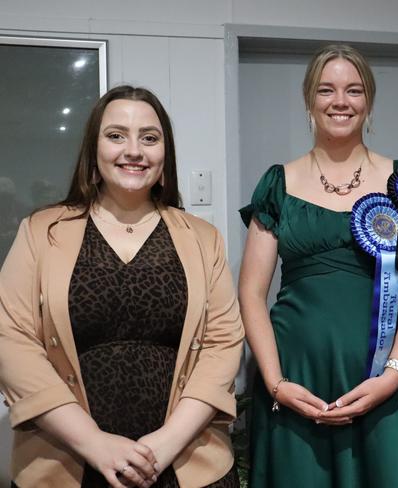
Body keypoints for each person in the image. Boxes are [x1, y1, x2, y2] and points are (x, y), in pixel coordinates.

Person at [0, 85, 244, 488]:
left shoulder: (204, 239)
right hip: (68, 464)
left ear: (164, 154)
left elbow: (222, 344)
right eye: (116, 135)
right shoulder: (41, 232)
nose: (134, 150)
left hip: (185, 464)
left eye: (149, 137)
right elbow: (12, 340)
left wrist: (165, 444)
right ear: (93, 150)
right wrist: (93, 442)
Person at [238, 44, 398, 488]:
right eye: (326, 90)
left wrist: (393, 376)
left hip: (378, 384)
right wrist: (274, 382)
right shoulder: (278, 184)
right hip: (294, 383)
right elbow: (251, 293)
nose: (340, 101)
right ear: (309, 100)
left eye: (354, 90)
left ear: (368, 100)